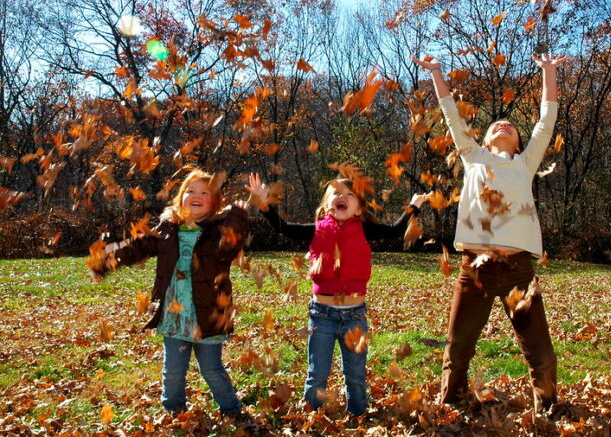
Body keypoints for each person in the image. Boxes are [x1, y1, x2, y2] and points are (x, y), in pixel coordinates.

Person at [412, 53, 567, 414]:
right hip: (475, 269)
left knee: (541, 353)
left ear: (519, 143)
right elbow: (451, 114)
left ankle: (546, 410)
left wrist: (549, 72)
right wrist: (437, 72)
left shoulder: (526, 163)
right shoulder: (473, 156)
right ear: (483, 138)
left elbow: (547, 119)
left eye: (510, 125)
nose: (503, 125)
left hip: (518, 271)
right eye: (496, 124)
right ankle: (452, 407)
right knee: (458, 347)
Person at [246, 173, 428, 416]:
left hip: (355, 317)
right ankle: (311, 415)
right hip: (321, 315)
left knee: (354, 374)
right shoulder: (317, 230)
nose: (342, 197)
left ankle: (358, 414)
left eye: (349, 194)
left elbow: (396, 230)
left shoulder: (364, 229)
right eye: (336, 193)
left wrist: (414, 206)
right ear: (326, 204)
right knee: (317, 373)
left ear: (359, 208)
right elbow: (284, 228)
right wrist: (263, 203)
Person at [88, 169, 248, 416]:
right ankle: (173, 411)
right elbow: (136, 247)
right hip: (174, 316)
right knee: (173, 369)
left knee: (211, 369)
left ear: (214, 202)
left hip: (208, 316)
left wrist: (237, 214)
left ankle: (231, 409)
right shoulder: (167, 229)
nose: (196, 195)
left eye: (204, 192)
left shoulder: (217, 234)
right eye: (190, 191)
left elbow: (232, 244)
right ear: (181, 197)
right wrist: (106, 261)